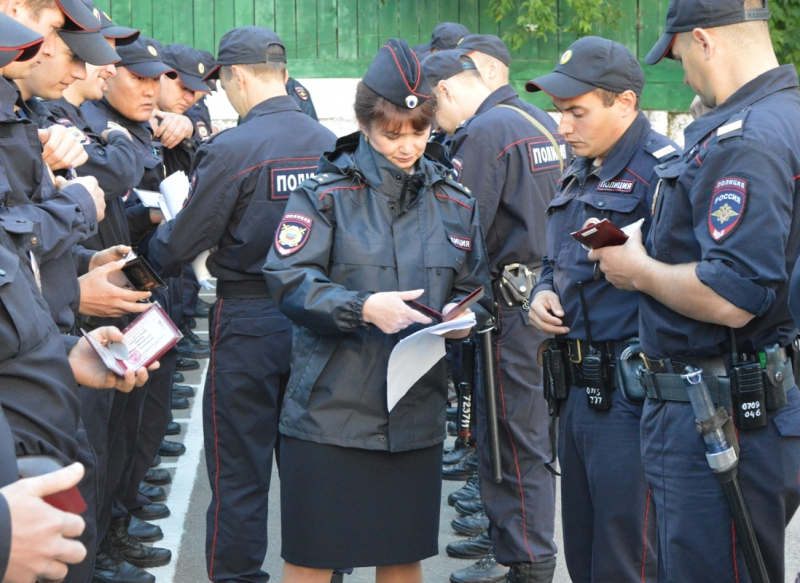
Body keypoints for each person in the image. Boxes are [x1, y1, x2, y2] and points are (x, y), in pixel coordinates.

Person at [263, 38, 492, 583]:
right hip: (329, 412)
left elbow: (477, 287)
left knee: (401, 554)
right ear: (366, 124)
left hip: (413, 411)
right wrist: (363, 307)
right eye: (393, 133)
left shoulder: (456, 201)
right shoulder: (324, 194)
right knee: (314, 558)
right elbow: (288, 279)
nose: (408, 145)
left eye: (419, 131)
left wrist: (464, 321)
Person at [591, 1, 800, 581]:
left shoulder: (745, 138)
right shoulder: (779, 115)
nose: (680, 73)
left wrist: (637, 269)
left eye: (680, 54)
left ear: (704, 41)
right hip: (738, 399)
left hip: (718, 413)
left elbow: (734, 292)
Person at [148, 26, 337, 583]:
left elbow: (181, 244)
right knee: (317, 468)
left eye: (223, 84)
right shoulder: (330, 142)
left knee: (238, 474)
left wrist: (156, 243)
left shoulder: (231, 147)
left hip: (249, 320)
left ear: (237, 77)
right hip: (321, 317)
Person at [526, 36, 682, 582]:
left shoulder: (664, 176)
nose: (563, 126)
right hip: (576, 391)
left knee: (628, 557)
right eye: (559, 113)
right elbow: (556, 257)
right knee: (586, 556)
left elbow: (687, 286)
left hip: (633, 397)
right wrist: (540, 293)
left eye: (576, 112)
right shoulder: (580, 168)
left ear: (625, 104)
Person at [423, 50, 565, 583]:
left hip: (509, 306)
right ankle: (526, 554)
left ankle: (527, 561)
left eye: (432, 109)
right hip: (538, 295)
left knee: (511, 435)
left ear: (447, 92)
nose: (433, 122)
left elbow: (462, 231)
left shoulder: (483, 133)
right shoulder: (531, 119)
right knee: (527, 433)